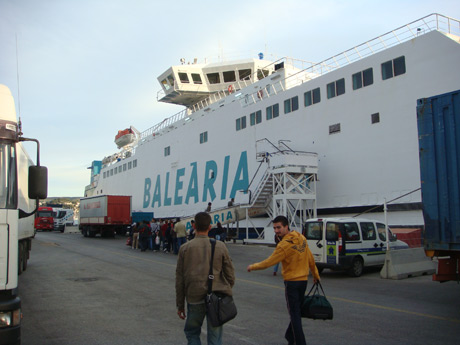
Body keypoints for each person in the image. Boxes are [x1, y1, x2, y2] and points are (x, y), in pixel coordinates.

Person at [247, 215, 320, 345]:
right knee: (297, 311)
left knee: (295, 315)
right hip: (303, 281)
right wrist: (315, 275)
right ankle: (290, 337)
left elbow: (269, 262)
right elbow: (310, 258)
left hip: (292, 282)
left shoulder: (284, 245)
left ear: (286, 226)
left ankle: (299, 342)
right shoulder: (302, 238)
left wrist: (253, 266)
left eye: (279, 227)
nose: (276, 231)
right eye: (274, 228)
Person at [176, 212, 235, 345]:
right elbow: (230, 274)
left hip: (194, 297)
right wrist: (225, 288)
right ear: (210, 227)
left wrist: (180, 305)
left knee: (192, 332)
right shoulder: (220, 246)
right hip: (216, 297)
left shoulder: (184, 248)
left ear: (194, 226)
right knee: (215, 337)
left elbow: (180, 279)